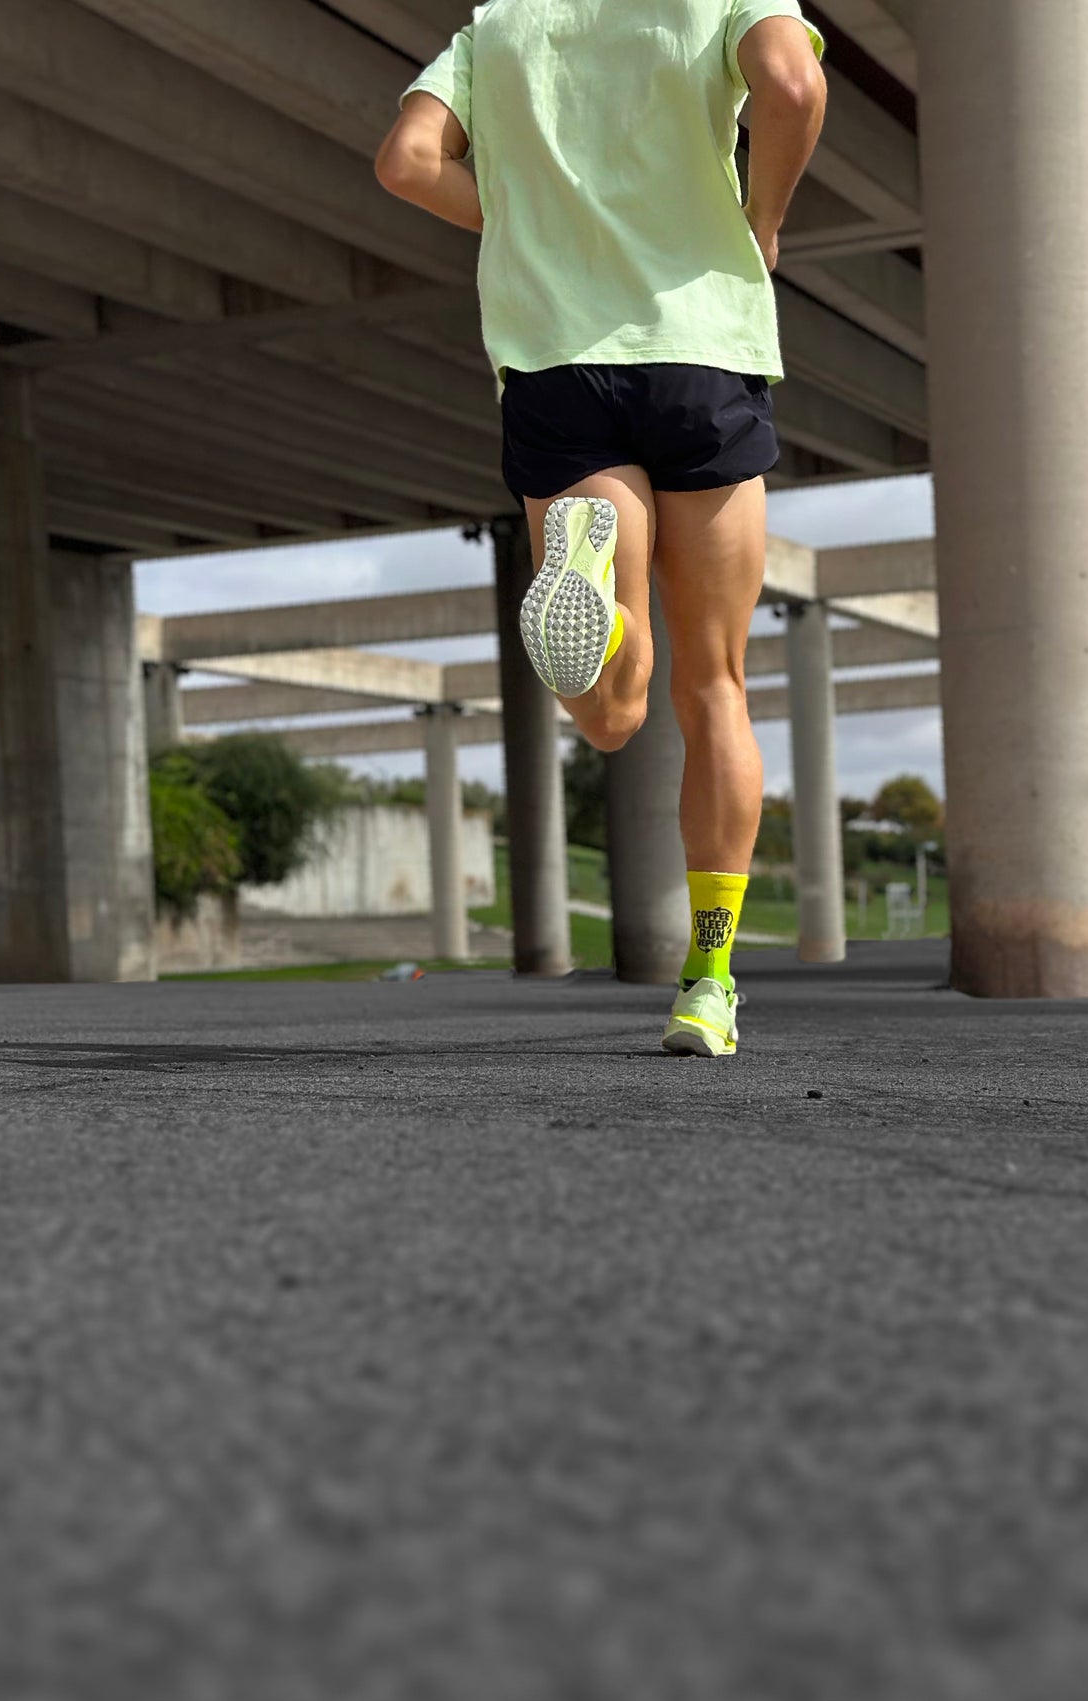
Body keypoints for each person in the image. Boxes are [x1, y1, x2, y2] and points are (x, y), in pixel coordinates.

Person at [376, 0, 827, 1056]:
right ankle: (708, 982)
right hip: (699, 352)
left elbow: (404, 161)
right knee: (712, 682)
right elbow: (791, 87)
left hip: (555, 366)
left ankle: (604, 619)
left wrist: (538, 216)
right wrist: (757, 217)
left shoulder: (494, 25)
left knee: (611, 720)